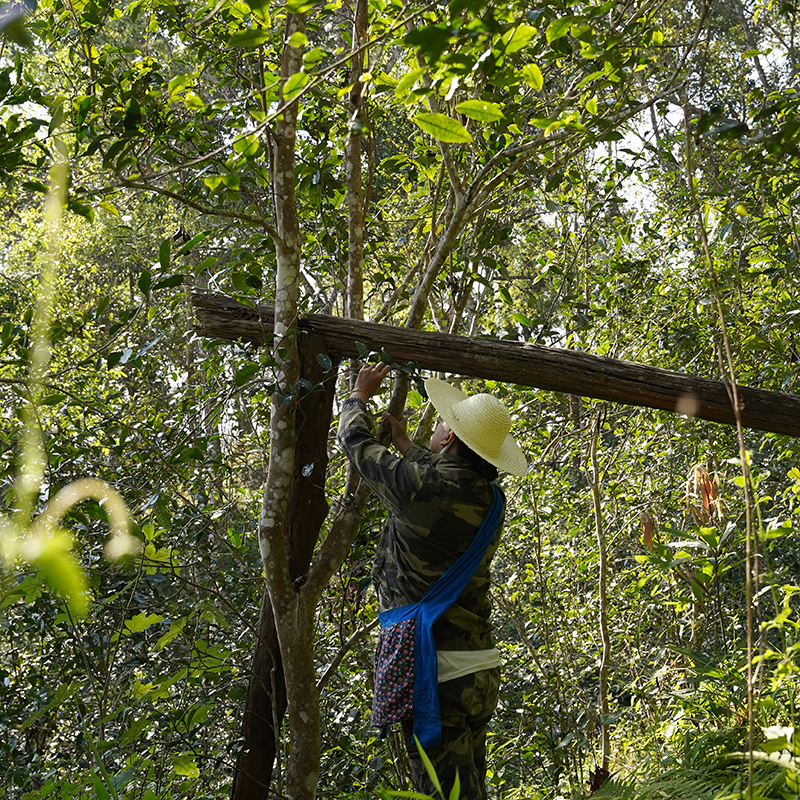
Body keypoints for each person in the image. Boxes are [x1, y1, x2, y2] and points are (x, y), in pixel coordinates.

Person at [337, 362, 527, 800]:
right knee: (469, 785)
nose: (439, 426)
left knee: (444, 794)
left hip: (437, 673)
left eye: (446, 424)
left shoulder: (422, 487)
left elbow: (357, 443)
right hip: (477, 668)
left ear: (453, 440)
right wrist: (407, 443)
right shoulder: (490, 498)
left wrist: (359, 397)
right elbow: (442, 484)